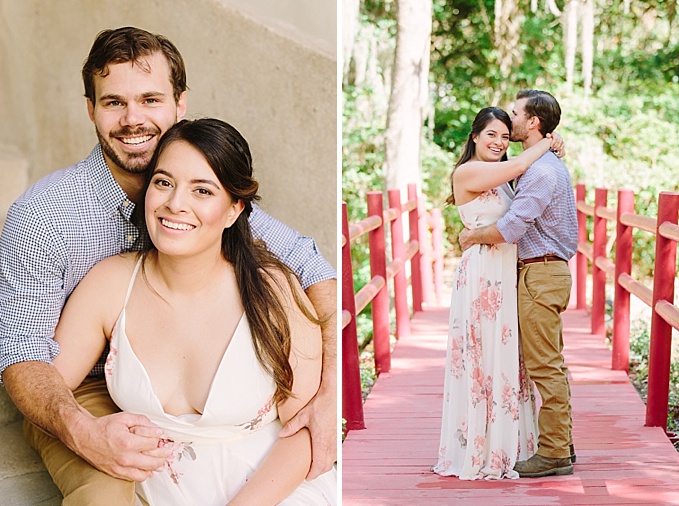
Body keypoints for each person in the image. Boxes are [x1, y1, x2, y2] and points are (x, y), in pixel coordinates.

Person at [0, 27, 336, 504]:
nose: (132, 119)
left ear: (179, 105)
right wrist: (80, 429)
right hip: (75, 393)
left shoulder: (212, 197)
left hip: (223, 430)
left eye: (150, 99)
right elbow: (21, 352)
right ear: (90, 109)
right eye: (113, 102)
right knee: (104, 498)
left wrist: (331, 388)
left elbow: (309, 263)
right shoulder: (46, 216)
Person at [51, 117, 336, 505]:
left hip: (267, 492)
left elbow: (305, 431)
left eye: (202, 190)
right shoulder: (110, 283)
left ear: (235, 209)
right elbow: (50, 389)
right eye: (163, 182)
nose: (175, 204)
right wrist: (90, 434)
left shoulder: (273, 290)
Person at [431, 106, 562, 480]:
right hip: (483, 277)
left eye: (505, 136)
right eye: (491, 134)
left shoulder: (502, 178)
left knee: (506, 357)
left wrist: (549, 147)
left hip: (506, 272)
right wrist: (550, 142)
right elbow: (520, 166)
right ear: (474, 136)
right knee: (483, 356)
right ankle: (479, 448)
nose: (499, 142)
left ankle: (510, 445)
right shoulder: (468, 172)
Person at [458, 90, 578, 478]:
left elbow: (511, 226)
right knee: (546, 363)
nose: (508, 124)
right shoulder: (535, 162)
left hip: (540, 273)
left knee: (544, 366)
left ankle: (555, 451)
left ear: (533, 123)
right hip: (527, 274)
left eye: (514, 116)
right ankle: (560, 443)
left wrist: (471, 237)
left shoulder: (541, 170)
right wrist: (548, 143)